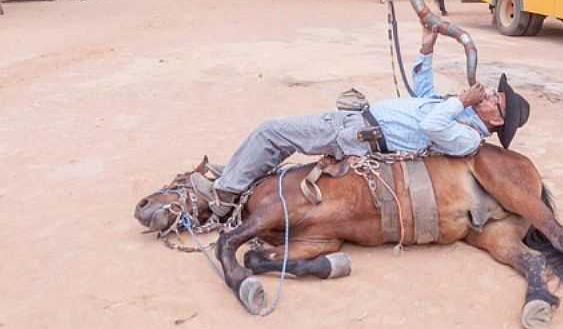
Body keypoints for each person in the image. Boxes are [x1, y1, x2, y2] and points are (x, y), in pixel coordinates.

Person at [198, 25, 531, 216]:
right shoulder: (461, 113)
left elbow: (432, 126)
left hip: (359, 134)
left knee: (272, 131)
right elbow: (424, 95)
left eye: (493, 101)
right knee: (280, 136)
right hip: (356, 121)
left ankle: (225, 195)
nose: (487, 96)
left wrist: (461, 100)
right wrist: (426, 49)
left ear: (498, 122)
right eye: (490, 94)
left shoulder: (469, 139)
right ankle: (235, 172)